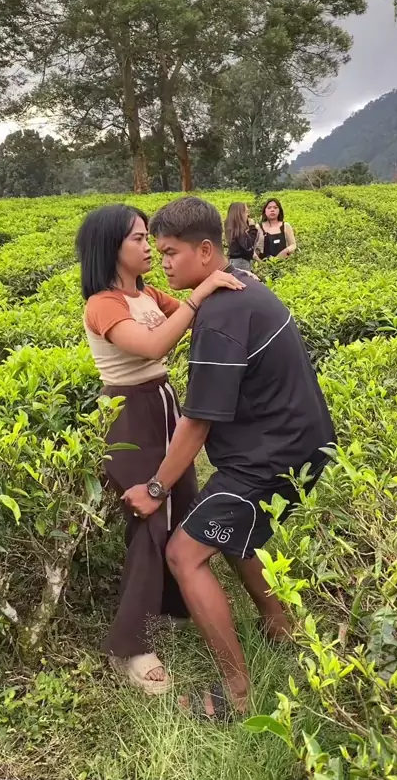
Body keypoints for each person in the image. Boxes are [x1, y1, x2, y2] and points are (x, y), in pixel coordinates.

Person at [122, 197, 335, 721]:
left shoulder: (222, 314)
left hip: (271, 455)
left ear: (204, 250)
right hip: (298, 440)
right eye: (156, 251)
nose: (162, 262)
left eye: (170, 252)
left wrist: (156, 489)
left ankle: (237, 695)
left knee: (185, 553)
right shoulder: (237, 283)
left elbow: (197, 423)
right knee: (231, 528)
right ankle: (278, 624)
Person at [75, 204, 244, 696]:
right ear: (111, 247)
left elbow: (193, 316)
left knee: (181, 502)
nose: (148, 247)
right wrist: (199, 295)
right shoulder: (103, 304)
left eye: (149, 237)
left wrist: (226, 286)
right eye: (138, 238)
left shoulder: (147, 294)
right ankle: (132, 645)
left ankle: (171, 606)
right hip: (130, 415)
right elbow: (153, 346)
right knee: (149, 519)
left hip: (165, 407)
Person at [224, 201, 259, 271]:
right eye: (246, 212)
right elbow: (248, 245)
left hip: (234, 261)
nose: (248, 215)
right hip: (241, 263)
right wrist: (252, 228)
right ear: (239, 214)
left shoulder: (232, 230)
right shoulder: (239, 232)